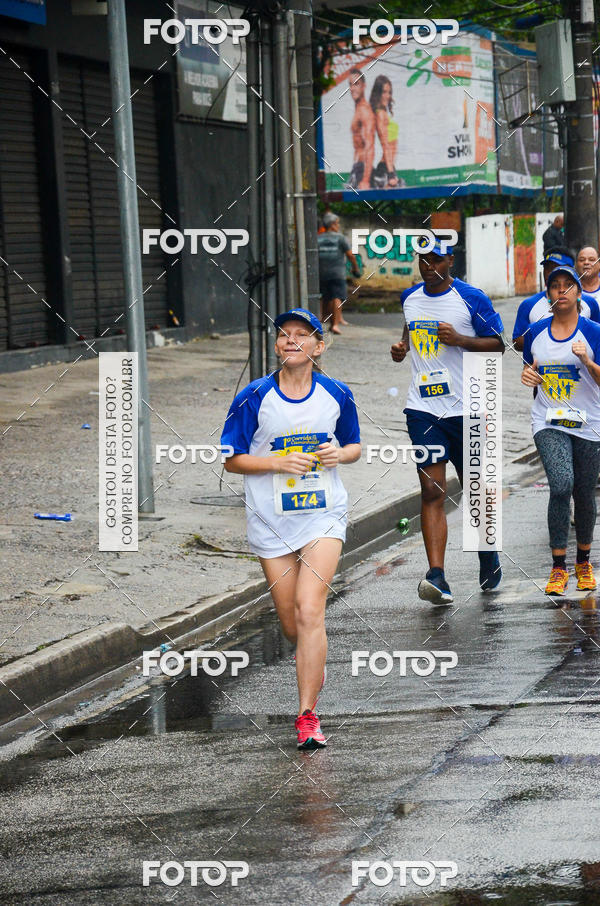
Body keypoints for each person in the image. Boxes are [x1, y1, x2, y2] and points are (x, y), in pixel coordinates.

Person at [221, 308, 361, 748]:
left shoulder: (337, 393)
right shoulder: (254, 396)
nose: (292, 341)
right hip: (271, 520)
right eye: (285, 335)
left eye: (303, 335)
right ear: (277, 345)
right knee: (291, 625)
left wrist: (343, 455)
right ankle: (312, 658)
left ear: (319, 348)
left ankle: (307, 716)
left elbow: (354, 444)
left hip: (324, 515)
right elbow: (231, 459)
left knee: (308, 610)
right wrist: (277, 462)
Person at [390, 238, 505, 605]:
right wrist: (401, 348)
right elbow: (409, 331)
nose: (428, 266)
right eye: (423, 259)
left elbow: (499, 344)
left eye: (435, 259)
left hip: (469, 409)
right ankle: (437, 576)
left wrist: (460, 339)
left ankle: (487, 554)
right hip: (424, 410)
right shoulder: (409, 298)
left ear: (450, 260)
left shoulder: (472, 298)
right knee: (432, 490)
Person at [521, 265, 600, 595]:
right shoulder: (536, 332)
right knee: (561, 484)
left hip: (589, 423)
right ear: (549, 295)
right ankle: (558, 567)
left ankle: (583, 561)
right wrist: (528, 378)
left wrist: (588, 362)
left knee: (584, 492)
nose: (562, 291)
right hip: (548, 421)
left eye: (569, 286)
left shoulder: (594, 332)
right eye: (556, 286)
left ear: (579, 295)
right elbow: (531, 372)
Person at [512, 248, 600, 351]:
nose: (551, 272)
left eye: (558, 267)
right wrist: (545, 339)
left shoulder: (589, 303)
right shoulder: (528, 305)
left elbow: (597, 341)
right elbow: (517, 341)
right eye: (548, 268)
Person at [317, 212, 360, 334]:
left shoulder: (318, 238)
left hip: (322, 273)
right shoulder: (340, 238)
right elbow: (350, 255)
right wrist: (355, 269)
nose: (338, 225)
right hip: (337, 273)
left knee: (325, 297)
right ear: (332, 224)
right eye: (337, 223)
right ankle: (335, 325)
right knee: (337, 297)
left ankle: (323, 322)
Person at [346, 68, 376, 191]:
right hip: (357, 168)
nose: (352, 88)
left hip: (362, 171)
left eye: (356, 84)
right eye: (350, 85)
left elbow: (370, 146)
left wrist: (365, 180)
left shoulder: (364, 111)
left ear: (364, 86)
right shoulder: (358, 109)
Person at [369, 75, 400, 189]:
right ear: (378, 93)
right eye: (384, 92)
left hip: (389, 166)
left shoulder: (383, 113)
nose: (387, 96)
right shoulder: (380, 114)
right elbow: (385, 145)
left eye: (389, 92)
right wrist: (391, 174)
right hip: (386, 169)